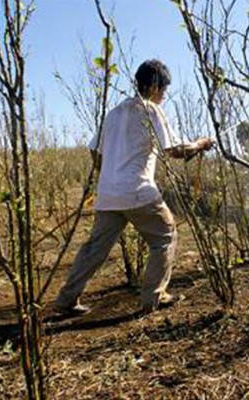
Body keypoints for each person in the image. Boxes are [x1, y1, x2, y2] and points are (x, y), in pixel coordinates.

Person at [55, 59, 214, 315]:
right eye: (163, 90)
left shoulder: (114, 113)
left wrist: (109, 175)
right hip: (138, 192)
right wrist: (200, 144)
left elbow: (94, 151)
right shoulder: (151, 109)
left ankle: (66, 299)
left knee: (95, 249)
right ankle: (154, 297)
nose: (164, 96)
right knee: (165, 236)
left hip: (109, 196)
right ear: (154, 87)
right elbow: (174, 150)